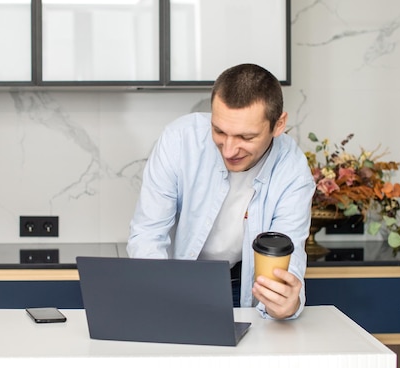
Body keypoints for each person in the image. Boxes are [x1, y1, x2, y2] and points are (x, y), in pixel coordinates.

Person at [127, 63, 315, 319]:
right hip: (175, 278)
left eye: (246, 138)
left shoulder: (293, 172)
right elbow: (148, 234)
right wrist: (162, 296)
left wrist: (285, 304)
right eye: (219, 131)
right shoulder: (179, 140)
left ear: (278, 124)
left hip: (244, 283)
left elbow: (287, 257)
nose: (228, 150)